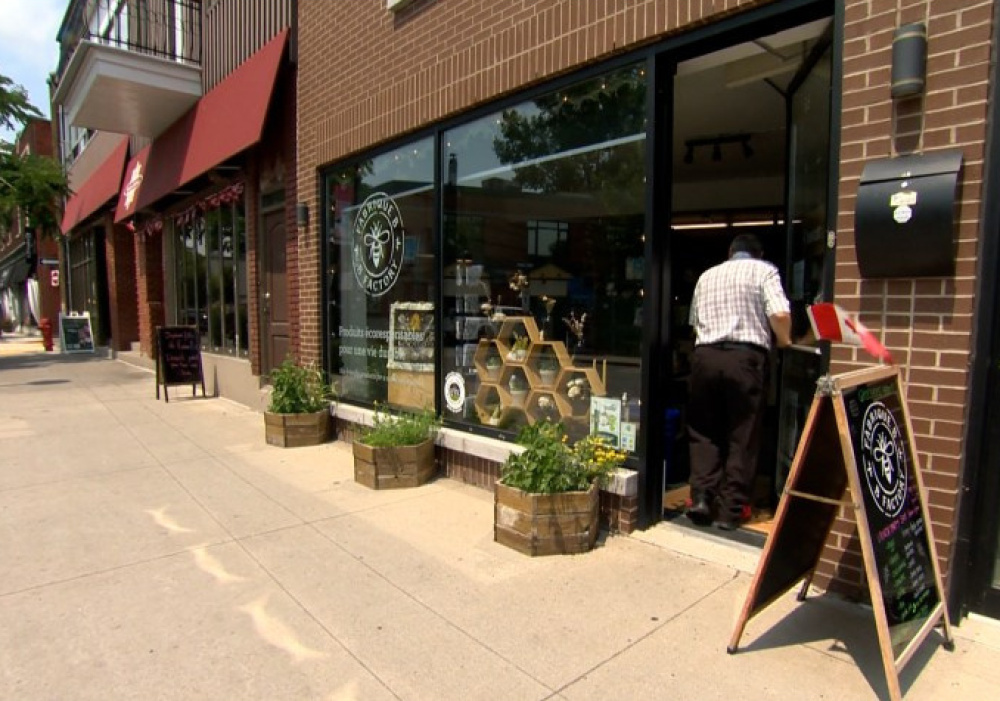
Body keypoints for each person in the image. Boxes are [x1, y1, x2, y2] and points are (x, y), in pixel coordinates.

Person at [685, 234, 792, 530]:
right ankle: (731, 510)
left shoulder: (707, 276)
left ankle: (703, 498)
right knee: (742, 433)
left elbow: (695, 323)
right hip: (744, 359)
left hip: (705, 357)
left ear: (730, 252)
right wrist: (784, 341)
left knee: (703, 430)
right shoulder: (764, 270)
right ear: (757, 253)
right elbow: (780, 313)